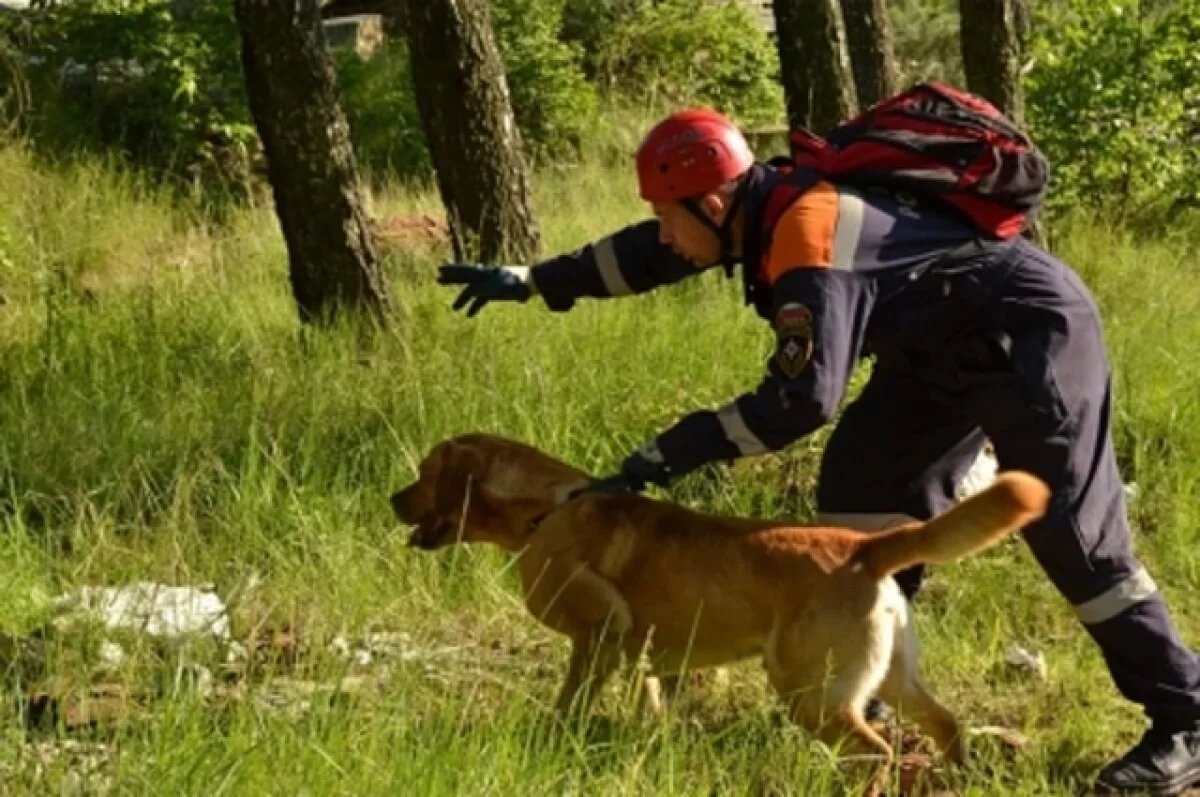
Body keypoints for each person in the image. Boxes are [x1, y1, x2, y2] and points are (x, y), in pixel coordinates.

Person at [437, 107, 1200, 794]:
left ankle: (1186, 717)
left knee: (1073, 534)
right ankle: (858, 681)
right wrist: (534, 280)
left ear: (714, 204)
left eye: (668, 215)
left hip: (1029, 337)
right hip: (935, 354)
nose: (663, 233)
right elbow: (656, 251)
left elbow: (801, 400)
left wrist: (668, 452)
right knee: (862, 484)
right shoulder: (755, 209)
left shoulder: (805, 229)